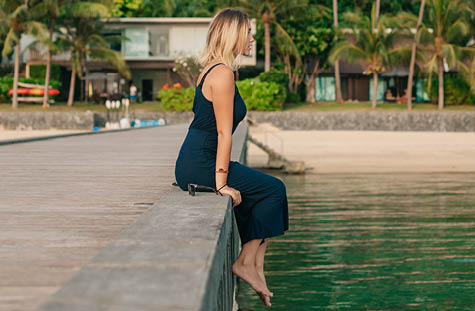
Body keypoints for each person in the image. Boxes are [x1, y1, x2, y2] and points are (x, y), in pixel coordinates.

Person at [174, 8, 289, 307]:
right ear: (234, 34)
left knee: (260, 192)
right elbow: (225, 134)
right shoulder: (222, 73)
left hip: (198, 158)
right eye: (249, 32)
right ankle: (246, 264)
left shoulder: (216, 68)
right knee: (274, 190)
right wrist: (221, 183)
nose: (253, 38)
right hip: (201, 162)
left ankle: (254, 267)